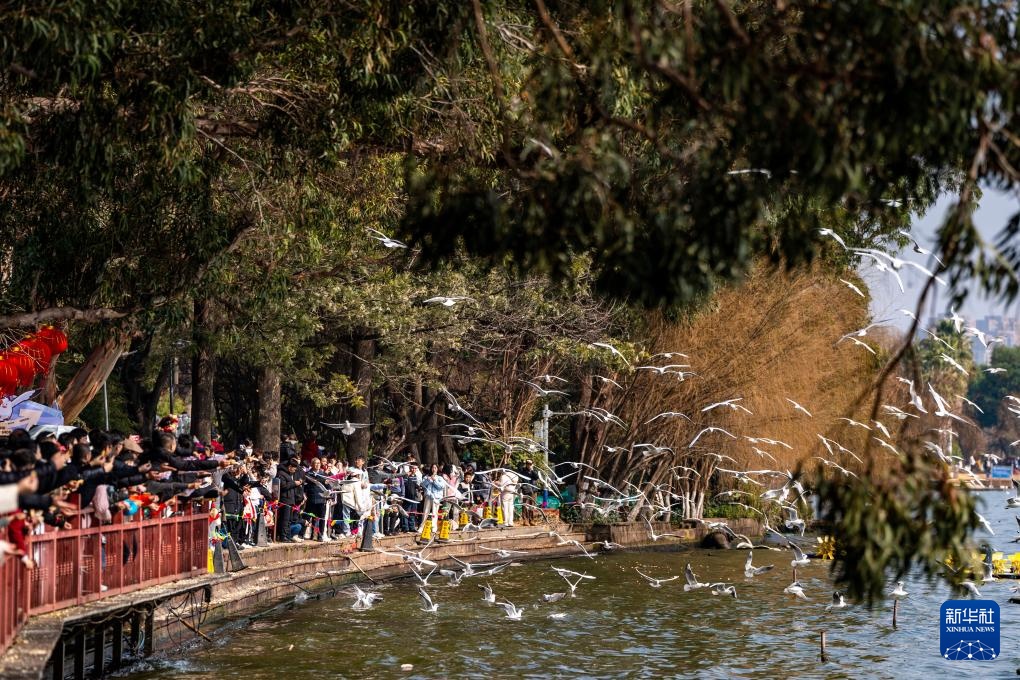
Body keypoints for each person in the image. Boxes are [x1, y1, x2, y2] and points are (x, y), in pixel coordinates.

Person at [420, 464, 445, 536]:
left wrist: (434, 481)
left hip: (436, 497)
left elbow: (441, 487)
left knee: (435, 512)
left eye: (435, 468)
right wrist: (429, 480)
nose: (434, 469)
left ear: (437, 469)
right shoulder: (426, 477)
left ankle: (434, 527)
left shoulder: (440, 478)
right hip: (428, 496)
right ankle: (422, 526)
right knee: (426, 511)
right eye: (432, 468)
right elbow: (422, 485)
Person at [517, 459, 541, 526]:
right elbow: (520, 481)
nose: (529, 465)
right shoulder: (523, 471)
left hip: (533, 490)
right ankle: (525, 520)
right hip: (526, 490)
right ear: (526, 464)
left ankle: (531, 520)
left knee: (532, 505)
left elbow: (536, 477)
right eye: (528, 464)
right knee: (525, 505)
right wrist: (521, 490)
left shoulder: (533, 471)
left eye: (530, 464)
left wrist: (532, 470)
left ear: (532, 464)